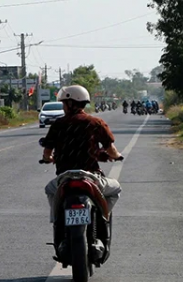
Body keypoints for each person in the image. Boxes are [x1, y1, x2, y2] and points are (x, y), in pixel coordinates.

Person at [40, 85, 123, 222]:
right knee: (115, 189)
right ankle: (103, 218)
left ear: (70, 103)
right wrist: (117, 156)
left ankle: (57, 219)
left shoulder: (58, 124)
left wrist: (48, 158)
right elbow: (111, 149)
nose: (63, 107)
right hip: (91, 177)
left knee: (50, 189)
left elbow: (47, 151)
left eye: (64, 103)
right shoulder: (96, 123)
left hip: (64, 177)